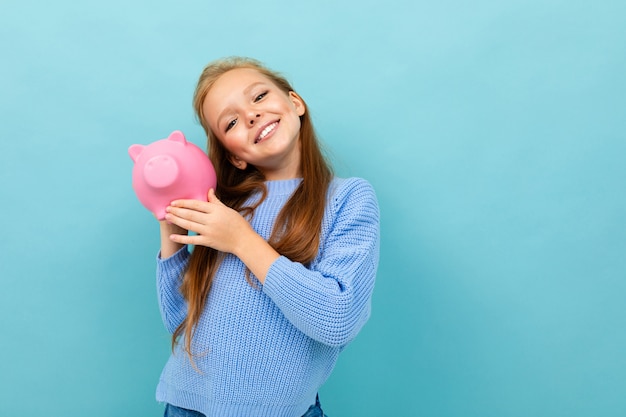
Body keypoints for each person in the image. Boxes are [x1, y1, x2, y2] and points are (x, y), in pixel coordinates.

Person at [154, 56, 380, 417]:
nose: (251, 116)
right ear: (235, 156)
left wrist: (241, 240)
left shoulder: (348, 199)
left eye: (258, 97)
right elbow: (179, 319)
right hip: (186, 407)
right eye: (230, 122)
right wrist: (170, 226)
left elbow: (337, 319)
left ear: (295, 102)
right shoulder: (226, 209)